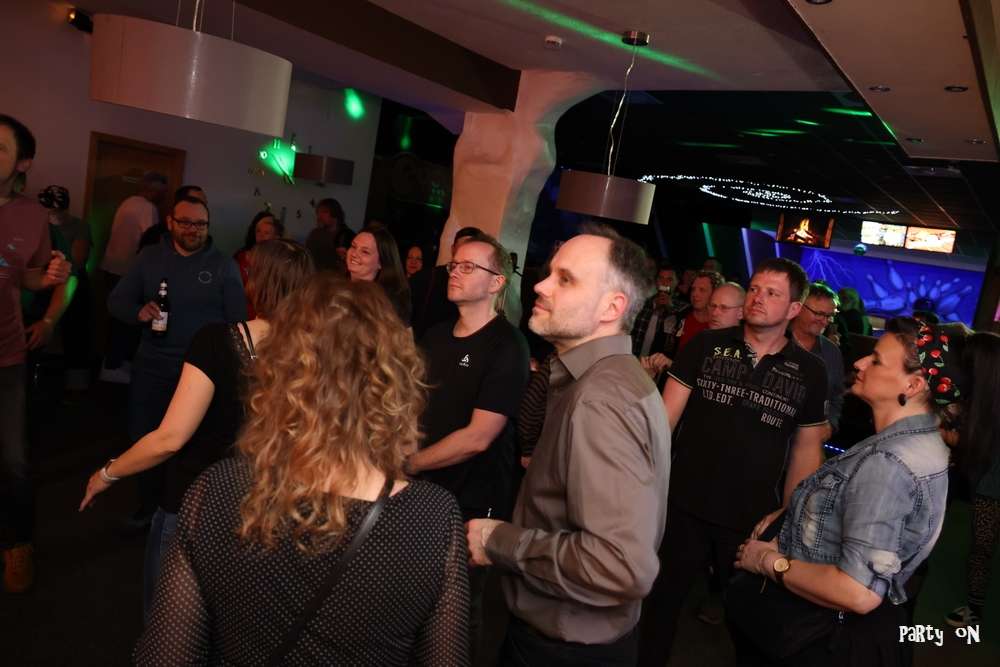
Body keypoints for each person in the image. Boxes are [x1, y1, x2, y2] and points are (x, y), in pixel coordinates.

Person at [134, 277, 470, 666]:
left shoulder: (218, 489)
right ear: (396, 382)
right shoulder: (433, 518)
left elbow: (165, 657)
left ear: (278, 373)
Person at [467, 225, 670, 666]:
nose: (541, 286)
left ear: (612, 307)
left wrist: (499, 540)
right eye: (549, 273)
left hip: (564, 650)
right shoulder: (612, 378)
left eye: (566, 279)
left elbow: (620, 564)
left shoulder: (601, 398)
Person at [83, 239, 312, 620]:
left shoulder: (216, 341)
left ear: (257, 282)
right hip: (265, 512)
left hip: (196, 505)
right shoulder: (316, 357)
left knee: (169, 625)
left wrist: (108, 473)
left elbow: (169, 438)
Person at [731, 319, 961, 665]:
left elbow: (857, 591)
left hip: (820, 639)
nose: (860, 362)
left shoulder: (889, 463)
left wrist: (767, 561)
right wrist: (791, 517)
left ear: (913, 385)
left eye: (876, 360)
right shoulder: (919, 440)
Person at [639, 257, 828, 666]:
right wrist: (644, 486)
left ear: (794, 308)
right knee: (658, 608)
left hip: (751, 516)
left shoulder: (811, 372)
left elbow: (805, 450)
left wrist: (787, 520)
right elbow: (663, 421)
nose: (758, 298)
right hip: (683, 502)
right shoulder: (706, 345)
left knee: (752, 622)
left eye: (772, 293)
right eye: (755, 288)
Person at [406, 232, 529, 663]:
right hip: (421, 491)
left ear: (496, 283)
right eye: (453, 264)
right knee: (410, 596)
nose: (454, 272)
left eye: (468, 266)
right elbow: (412, 405)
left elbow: (479, 437)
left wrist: (408, 463)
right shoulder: (435, 335)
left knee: (456, 611)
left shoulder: (507, 345)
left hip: (472, 499)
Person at [108, 196, 247, 530]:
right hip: (153, 367)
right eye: (185, 222)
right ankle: (148, 507)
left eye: (200, 224)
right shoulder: (150, 258)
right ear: (170, 222)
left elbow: (237, 322)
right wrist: (139, 311)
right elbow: (116, 301)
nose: (193, 229)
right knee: (145, 436)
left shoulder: (222, 265)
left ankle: (184, 515)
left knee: (191, 446)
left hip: (202, 377)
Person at [0, 114, 71, 592]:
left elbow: (23, 274)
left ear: (22, 163)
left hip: (6, 356)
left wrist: (46, 280)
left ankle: (17, 546)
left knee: (13, 460)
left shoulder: (31, 216)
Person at [946, 332, 1000, 629]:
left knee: (981, 549)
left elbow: (975, 444)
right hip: (988, 486)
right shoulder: (982, 396)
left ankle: (975, 608)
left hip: (991, 488)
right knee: (981, 549)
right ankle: (975, 607)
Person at [100, 172, 168, 379]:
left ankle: (110, 364)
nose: (163, 197)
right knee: (128, 319)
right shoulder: (148, 208)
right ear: (153, 190)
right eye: (161, 192)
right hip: (129, 269)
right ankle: (119, 366)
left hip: (111, 266)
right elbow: (152, 239)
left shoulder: (127, 202)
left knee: (115, 318)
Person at [789, 282, 846, 438]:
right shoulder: (776, 341)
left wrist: (830, 425)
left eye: (829, 316)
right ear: (798, 308)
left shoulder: (831, 352)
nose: (825, 321)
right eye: (819, 314)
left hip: (811, 441)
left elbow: (836, 396)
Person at [411, 226, 483, 338]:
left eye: (471, 249)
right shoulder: (426, 277)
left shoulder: (480, 287)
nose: (466, 253)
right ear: (453, 249)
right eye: (462, 247)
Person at [346, 222, 412, 325]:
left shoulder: (385, 303)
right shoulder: (337, 287)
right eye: (353, 246)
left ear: (381, 263)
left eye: (365, 252)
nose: (354, 254)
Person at [632, 262, 681, 381]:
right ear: (656, 281)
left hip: (657, 373)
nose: (664, 283)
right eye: (661, 278)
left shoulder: (681, 311)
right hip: (632, 363)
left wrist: (670, 308)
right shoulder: (642, 304)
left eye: (669, 279)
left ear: (677, 283)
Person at [233, 211, 284, 319]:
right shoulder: (242, 257)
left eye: (266, 233)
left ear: (276, 237)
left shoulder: (282, 262)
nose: (261, 236)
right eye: (258, 231)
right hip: (244, 315)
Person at [138, 185, 207, 251]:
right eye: (194, 201)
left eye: (204, 203)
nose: (201, 207)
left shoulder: (202, 235)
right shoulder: (153, 236)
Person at [675, 269, 723, 352]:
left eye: (702, 290)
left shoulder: (722, 327)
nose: (695, 294)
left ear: (715, 294)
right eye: (693, 289)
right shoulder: (679, 317)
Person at [305, 197, 349, 272]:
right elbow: (307, 256)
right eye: (318, 212)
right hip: (315, 274)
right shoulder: (315, 233)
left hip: (335, 276)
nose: (319, 216)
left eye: (324, 212)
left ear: (335, 213)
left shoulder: (346, 235)